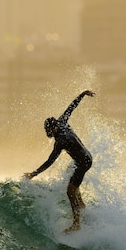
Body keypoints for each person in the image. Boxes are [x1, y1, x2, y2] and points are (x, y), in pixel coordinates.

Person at [24, 90, 95, 233]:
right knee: (72, 182)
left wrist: (34, 173)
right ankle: (82, 208)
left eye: (48, 130)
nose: (47, 133)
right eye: (46, 130)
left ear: (53, 127)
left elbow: (50, 161)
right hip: (86, 157)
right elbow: (71, 107)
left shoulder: (61, 141)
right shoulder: (62, 122)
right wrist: (83, 94)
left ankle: (77, 224)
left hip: (83, 163)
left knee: (70, 191)